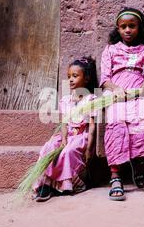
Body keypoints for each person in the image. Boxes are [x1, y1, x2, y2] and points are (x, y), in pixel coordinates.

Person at [100, 7, 144, 201]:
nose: (128, 30)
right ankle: (115, 175)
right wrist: (115, 89)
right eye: (123, 27)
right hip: (117, 90)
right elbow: (105, 78)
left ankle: (141, 164)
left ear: (140, 27)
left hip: (141, 89)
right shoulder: (111, 50)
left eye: (132, 26)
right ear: (118, 28)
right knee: (117, 121)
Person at [33, 57, 98, 202]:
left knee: (69, 151)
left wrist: (89, 149)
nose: (70, 80)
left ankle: (71, 185)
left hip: (82, 136)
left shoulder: (91, 99)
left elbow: (92, 125)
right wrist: (63, 139)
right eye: (69, 76)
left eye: (75, 76)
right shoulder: (66, 100)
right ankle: (46, 184)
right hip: (67, 135)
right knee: (49, 147)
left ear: (86, 78)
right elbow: (64, 123)